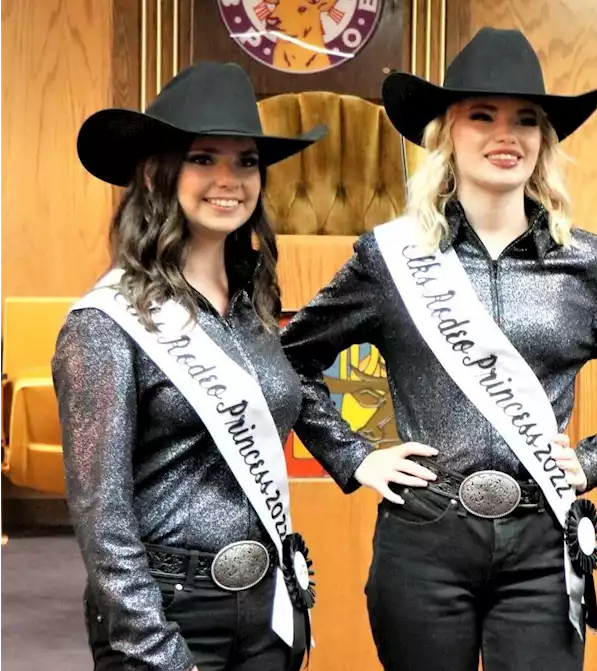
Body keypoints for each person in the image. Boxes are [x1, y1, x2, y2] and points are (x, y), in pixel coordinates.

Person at [278, 28, 597, 671]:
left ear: (543, 143)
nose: (507, 134)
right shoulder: (391, 261)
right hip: (426, 532)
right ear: (447, 136)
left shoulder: (588, 265)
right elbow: (289, 359)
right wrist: (355, 458)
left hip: (542, 537)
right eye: (482, 117)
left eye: (526, 120)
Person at [54, 61, 427, 671]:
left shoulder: (253, 306)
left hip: (266, 603)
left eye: (246, 161)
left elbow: (288, 391)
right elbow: (103, 517)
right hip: (167, 612)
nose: (229, 179)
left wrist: (356, 455)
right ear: (158, 172)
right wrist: (153, 646)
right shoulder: (104, 324)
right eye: (204, 158)